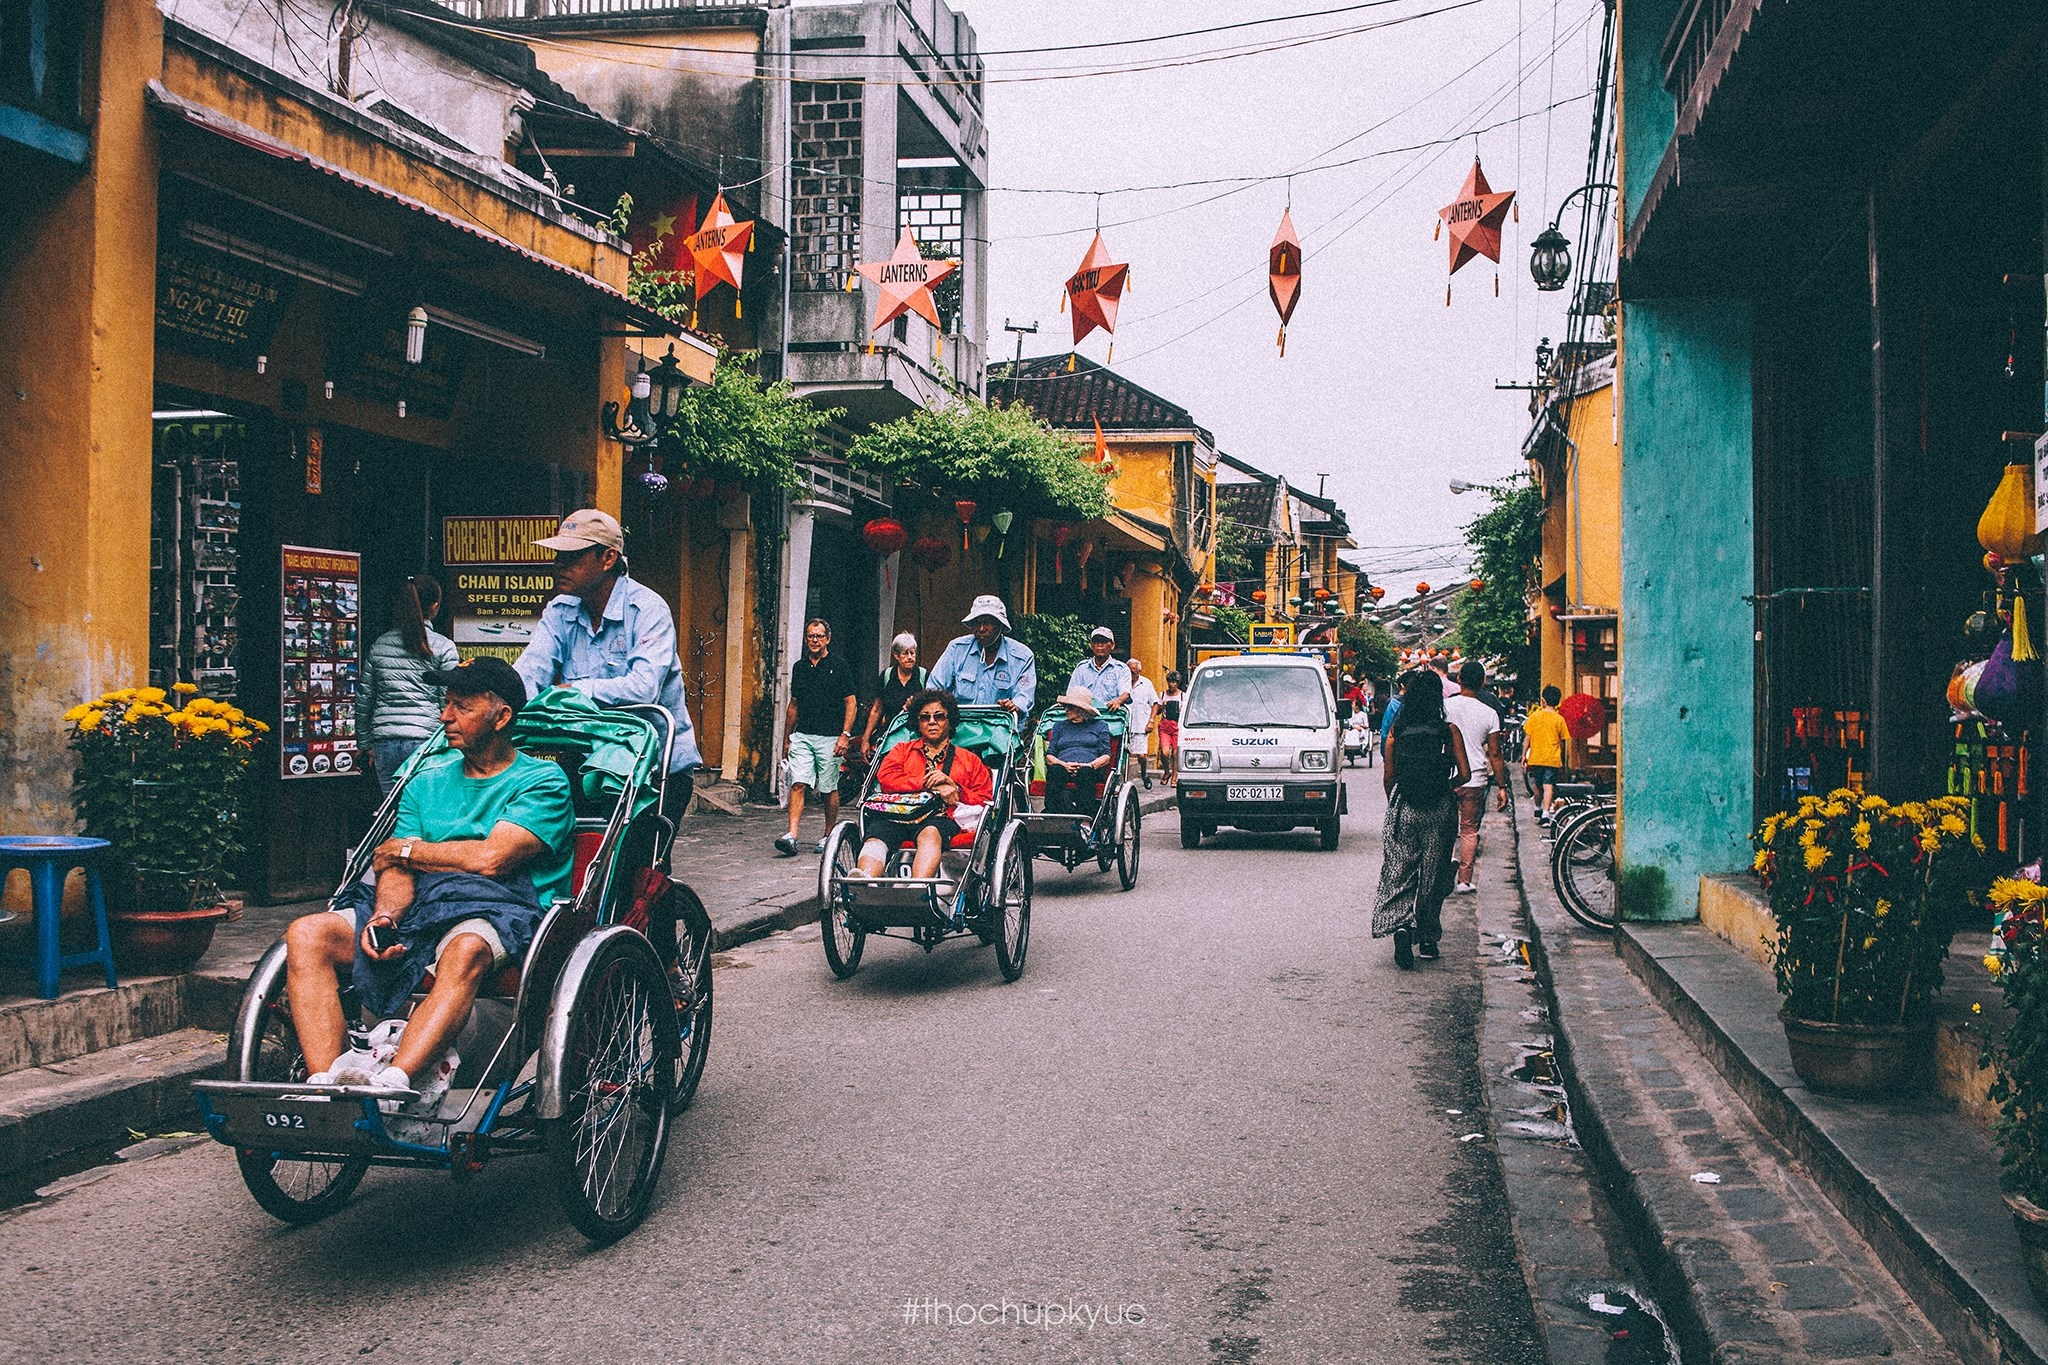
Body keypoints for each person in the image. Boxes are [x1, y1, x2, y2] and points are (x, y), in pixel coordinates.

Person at [284, 658, 573, 1106]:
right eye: (445, 704)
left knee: (465, 950)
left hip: (497, 906)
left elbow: (492, 859)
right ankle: (327, 1085)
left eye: (461, 706)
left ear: (501, 717)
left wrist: (409, 851)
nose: (445, 717)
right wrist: (385, 917)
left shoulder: (542, 780)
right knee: (307, 933)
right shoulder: (425, 781)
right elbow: (394, 868)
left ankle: (394, 1083)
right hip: (417, 905)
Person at [515, 509, 703, 817]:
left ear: (608, 558)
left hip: (652, 767)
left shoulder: (647, 610)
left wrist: (572, 691)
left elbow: (643, 688)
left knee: (638, 862)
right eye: (558, 556)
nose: (559, 566)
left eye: (572, 557)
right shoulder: (560, 611)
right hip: (587, 760)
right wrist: (495, 693)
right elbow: (530, 671)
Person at [1372, 670, 1470, 969]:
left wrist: (1398, 803)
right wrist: (1445, 788)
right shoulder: (1448, 730)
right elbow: (1465, 774)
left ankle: (1401, 926)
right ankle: (1427, 937)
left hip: (1405, 806)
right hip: (1440, 808)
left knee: (1400, 870)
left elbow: (1389, 777)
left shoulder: (1396, 734)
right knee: (1434, 873)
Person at [855, 688, 994, 897]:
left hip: (941, 819)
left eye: (939, 716)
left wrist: (955, 788)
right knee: (876, 835)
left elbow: (985, 800)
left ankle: (916, 890)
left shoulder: (969, 760)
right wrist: (926, 783)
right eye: (924, 717)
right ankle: (864, 882)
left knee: (930, 832)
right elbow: (886, 778)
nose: (932, 722)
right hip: (899, 815)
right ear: (917, 722)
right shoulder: (902, 750)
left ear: (950, 721)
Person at [357, 575, 459, 795]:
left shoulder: (380, 645)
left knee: (393, 814)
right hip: (427, 740)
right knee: (425, 811)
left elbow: (364, 699)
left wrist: (365, 743)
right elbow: (448, 700)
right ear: (434, 606)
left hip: (385, 741)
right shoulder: (444, 647)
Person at [777, 619, 857, 856]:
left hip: (830, 737)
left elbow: (850, 702)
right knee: (798, 782)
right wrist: (787, 737)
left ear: (827, 639)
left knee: (828, 788)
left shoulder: (839, 666)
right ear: (805, 639)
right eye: (811, 636)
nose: (814, 640)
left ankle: (828, 834)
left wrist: (845, 735)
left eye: (819, 636)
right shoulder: (800, 667)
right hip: (803, 734)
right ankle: (792, 835)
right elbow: (794, 704)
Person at [1444, 660, 1508, 894]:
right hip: (1475, 778)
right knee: (1469, 830)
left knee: (1445, 829)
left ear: (1459, 680)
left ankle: (1442, 875)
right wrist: (1502, 787)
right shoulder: (1489, 713)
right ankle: (1464, 881)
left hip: (1448, 777)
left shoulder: (1445, 707)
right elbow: (1495, 753)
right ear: (1482, 682)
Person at [929, 595, 1037, 714]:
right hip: (961, 725)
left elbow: (1024, 695)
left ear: (1000, 625)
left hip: (1001, 727)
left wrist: (1014, 705)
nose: (981, 629)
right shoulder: (957, 649)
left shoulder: (1022, 657)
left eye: (988, 623)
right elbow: (935, 687)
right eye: (977, 623)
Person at [1043, 689, 1115, 814]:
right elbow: (1050, 754)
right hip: (1063, 767)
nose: (1066, 710)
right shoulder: (1059, 726)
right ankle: (1053, 812)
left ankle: (1085, 817)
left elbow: (1106, 755)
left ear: (1082, 709)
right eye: (1065, 706)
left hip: (1090, 768)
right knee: (1055, 769)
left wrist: (1089, 765)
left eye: (1070, 707)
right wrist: (1063, 764)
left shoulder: (1100, 725)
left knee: (1085, 773)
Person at [861, 632, 927, 760]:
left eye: (912, 653)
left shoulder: (923, 676)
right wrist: (865, 739)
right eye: (905, 653)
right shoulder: (887, 676)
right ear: (896, 655)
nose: (910, 657)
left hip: (917, 737)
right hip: (891, 736)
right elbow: (877, 709)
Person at [1523, 685, 1574, 824]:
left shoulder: (1534, 717)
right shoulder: (1559, 719)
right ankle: (1546, 814)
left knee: (1538, 785)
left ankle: (1537, 807)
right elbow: (1563, 742)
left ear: (1543, 700)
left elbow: (1527, 738)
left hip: (1536, 757)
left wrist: (1523, 756)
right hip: (1552, 757)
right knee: (1548, 785)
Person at [1067, 626, 1133, 711]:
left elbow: (1125, 693)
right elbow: (1071, 693)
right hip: (1084, 716)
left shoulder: (1121, 669)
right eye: (1096, 641)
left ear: (1112, 645)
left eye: (1104, 641)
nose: (1100, 645)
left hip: (1110, 715)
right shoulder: (1081, 668)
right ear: (1091, 645)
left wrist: (1118, 701)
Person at [1126, 660, 1159, 789]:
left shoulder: (1146, 684)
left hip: (1140, 725)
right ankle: (1124, 782)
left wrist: (1151, 721)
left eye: (1133, 672)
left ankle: (1144, 773)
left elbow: (1155, 703)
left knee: (1141, 756)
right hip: (1125, 725)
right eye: (1129, 672)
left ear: (1139, 671)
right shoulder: (1123, 683)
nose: (1131, 675)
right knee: (1123, 755)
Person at [1156, 670, 1183, 785]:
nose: (1171, 684)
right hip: (1165, 725)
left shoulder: (1183, 696)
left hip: (1177, 726)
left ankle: (1174, 776)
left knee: (1175, 753)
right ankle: (1167, 772)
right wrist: (1162, 706)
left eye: (1174, 682)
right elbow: (1157, 711)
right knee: (1165, 752)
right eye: (1170, 682)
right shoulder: (1163, 695)